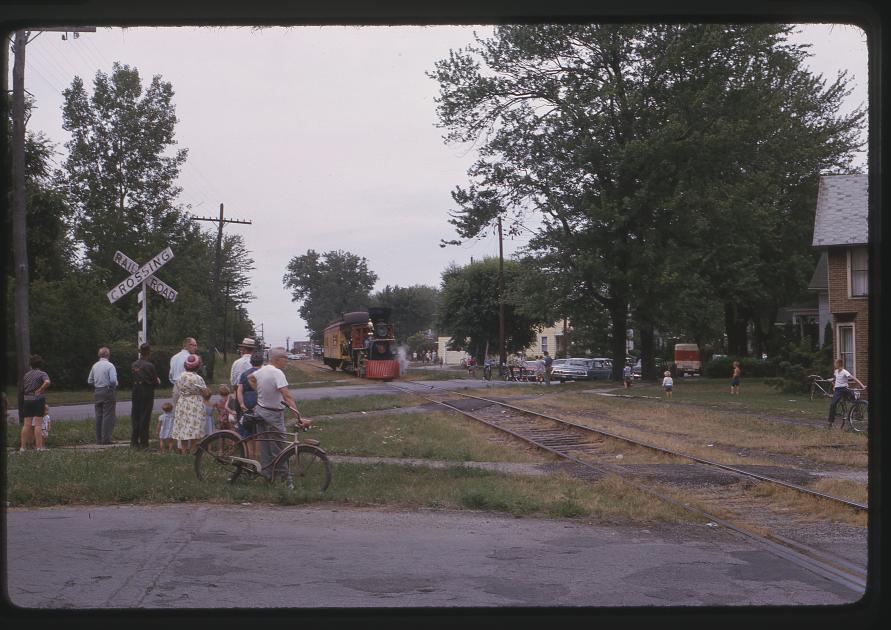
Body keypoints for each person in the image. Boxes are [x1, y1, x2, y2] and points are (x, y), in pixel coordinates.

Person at [248, 347, 310, 484]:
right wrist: (299, 417)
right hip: (273, 415)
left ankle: (268, 476)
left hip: (260, 411)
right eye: (285, 358)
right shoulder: (277, 373)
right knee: (279, 448)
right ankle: (286, 481)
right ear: (277, 359)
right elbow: (287, 396)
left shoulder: (261, 371)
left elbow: (250, 378)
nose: (286, 361)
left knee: (265, 447)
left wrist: (261, 391)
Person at [171, 353, 210, 455]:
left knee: (183, 427)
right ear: (198, 366)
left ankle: (184, 451)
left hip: (183, 402)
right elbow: (205, 392)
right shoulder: (198, 378)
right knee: (194, 427)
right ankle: (193, 451)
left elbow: (178, 389)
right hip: (195, 403)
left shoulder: (180, 377)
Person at [131, 343, 161, 449]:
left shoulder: (134, 364)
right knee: (145, 416)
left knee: (135, 415)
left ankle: (134, 441)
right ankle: (144, 443)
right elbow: (155, 381)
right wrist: (157, 381)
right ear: (149, 353)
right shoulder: (150, 365)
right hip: (146, 391)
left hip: (135, 390)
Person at [19, 354, 51, 452]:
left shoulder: (26, 375)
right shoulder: (42, 373)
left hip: (27, 400)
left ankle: (23, 447)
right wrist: (40, 389)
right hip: (38, 400)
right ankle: (39, 447)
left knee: (26, 424)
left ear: (30, 365)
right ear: (40, 364)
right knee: (38, 424)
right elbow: (47, 382)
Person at [236, 351, 265, 458]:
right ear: (262, 362)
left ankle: (249, 456)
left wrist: (241, 404)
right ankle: (258, 456)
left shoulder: (245, 374)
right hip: (259, 401)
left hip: (246, 400)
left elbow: (239, 391)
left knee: (247, 430)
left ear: (251, 362)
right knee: (258, 431)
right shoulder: (263, 373)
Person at [87, 347, 118, 445]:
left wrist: (97, 384)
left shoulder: (95, 365)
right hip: (107, 390)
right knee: (108, 415)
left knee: (98, 415)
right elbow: (113, 380)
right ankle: (106, 439)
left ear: (99, 355)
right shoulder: (110, 365)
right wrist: (112, 386)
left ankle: (99, 439)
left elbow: (89, 380)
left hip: (97, 391)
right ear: (108, 355)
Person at [827, 358, 866, 429]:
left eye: (835, 363)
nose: (834, 364)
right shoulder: (836, 371)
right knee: (833, 404)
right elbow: (836, 379)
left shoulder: (845, 372)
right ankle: (830, 422)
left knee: (855, 397)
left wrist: (862, 385)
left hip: (844, 389)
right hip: (838, 390)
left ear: (839, 364)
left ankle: (857, 412)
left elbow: (854, 378)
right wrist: (832, 382)